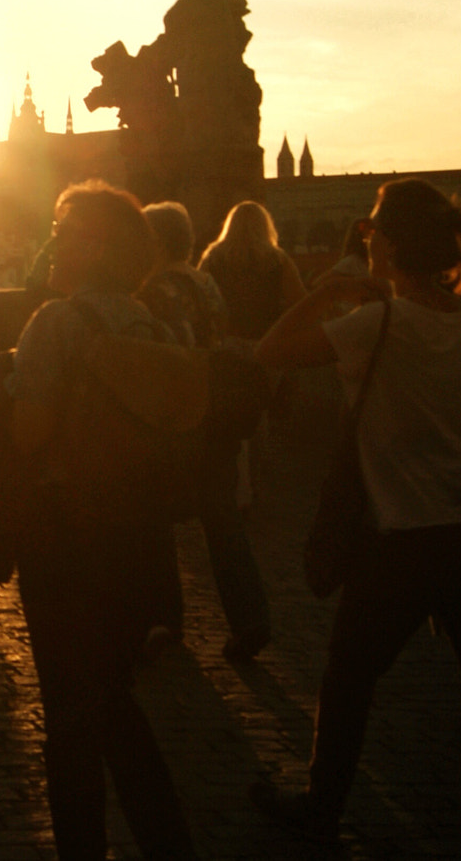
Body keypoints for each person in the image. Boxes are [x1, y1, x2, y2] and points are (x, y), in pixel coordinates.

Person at [251, 179, 461, 857]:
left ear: (389, 242)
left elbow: (270, 350)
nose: (366, 237)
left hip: (402, 541)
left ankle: (321, 808)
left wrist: (327, 290)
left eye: (371, 229)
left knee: (349, 678)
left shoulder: (375, 323)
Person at [2, 181, 197, 861]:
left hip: (64, 534)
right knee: (113, 696)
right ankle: (166, 838)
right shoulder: (155, 324)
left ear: (93, 245)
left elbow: (29, 434)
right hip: (135, 534)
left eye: (63, 228)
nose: (52, 239)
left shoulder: (55, 324)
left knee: (70, 711)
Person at [139, 201, 271, 662]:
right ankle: (251, 617)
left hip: (178, 419)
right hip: (217, 413)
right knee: (222, 523)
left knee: (153, 518)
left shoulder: (155, 289)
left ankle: (164, 619)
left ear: (154, 241)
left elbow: (162, 358)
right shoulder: (206, 281)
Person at [198, 201, 304, 340]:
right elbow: (298, 300)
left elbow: (199, 295)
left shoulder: (213, 258)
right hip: (267, 337)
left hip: (226, 338)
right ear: (265, 227)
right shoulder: (278, 260)